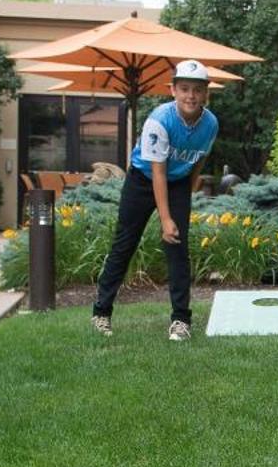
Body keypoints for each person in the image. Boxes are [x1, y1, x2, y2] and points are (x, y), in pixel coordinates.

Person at [92, 60, 219, 342]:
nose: (191, 95)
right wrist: (166, 219)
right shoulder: (159, 120)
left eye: (197, 90)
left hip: (178, 183)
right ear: (173, 90)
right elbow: (158, 172)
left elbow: (199, 159)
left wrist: (188, 190)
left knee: (177, 250)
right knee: (124, 245)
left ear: (206, 94)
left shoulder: (210, 123)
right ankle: (101, 312)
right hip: (144, 179)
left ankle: (181, 321)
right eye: (184, 88)